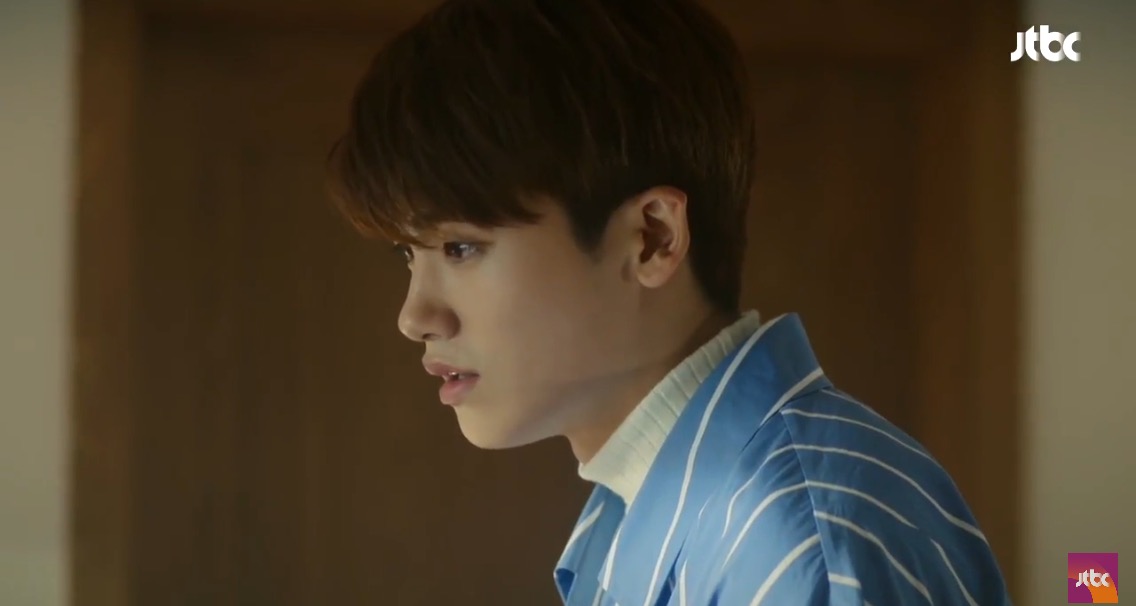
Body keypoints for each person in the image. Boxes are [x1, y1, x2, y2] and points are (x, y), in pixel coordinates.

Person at [325, 0, 1013, 604]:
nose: (415, 317)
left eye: (460, 248)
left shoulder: (795, 542)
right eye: (407, 254)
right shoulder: (652, 508)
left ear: (652, 238)